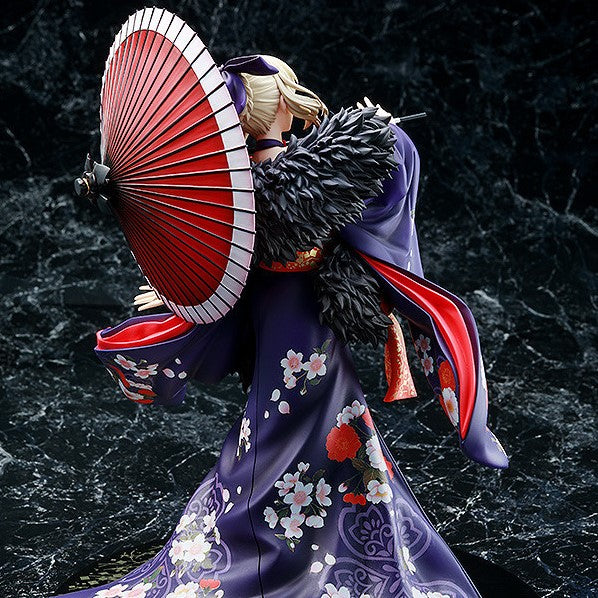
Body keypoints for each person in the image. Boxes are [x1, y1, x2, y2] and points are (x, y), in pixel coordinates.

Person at [55, 54, 507, 598]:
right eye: (288, 92)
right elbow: (374, 179)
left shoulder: (241, 185)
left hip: (286, 321)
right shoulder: (282, 181)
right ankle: (283, 552)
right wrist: (379, 133)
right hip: (298, 328)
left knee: (298, 424)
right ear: (276, 107)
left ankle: (312, 540)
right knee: (295, 425)